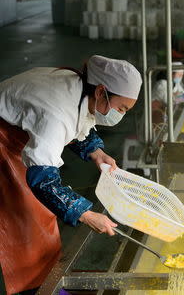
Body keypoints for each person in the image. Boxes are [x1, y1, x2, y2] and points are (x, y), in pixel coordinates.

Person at [0, 55, 142, 294]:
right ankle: (34, 289)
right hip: (4, 144)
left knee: (40, 217)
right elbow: (42, 181)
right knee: (25, 224)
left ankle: (43, 284)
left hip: (17, 138)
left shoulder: (79, 88)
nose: (121, 115)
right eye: (121, 108)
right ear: (101, 91)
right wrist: (85, 214)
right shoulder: (57, 114)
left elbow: (79, 122)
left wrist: (96, 152)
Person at [152, 62, 184, 126]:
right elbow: (170, 102)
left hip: (164, 113)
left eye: (182, 75)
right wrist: (183, 97)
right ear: (171, 74)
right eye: (179, 75)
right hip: (155, 116)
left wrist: (183, 95)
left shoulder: (174, 83)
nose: (180, 78)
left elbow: (182, 93)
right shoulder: (161, 84)